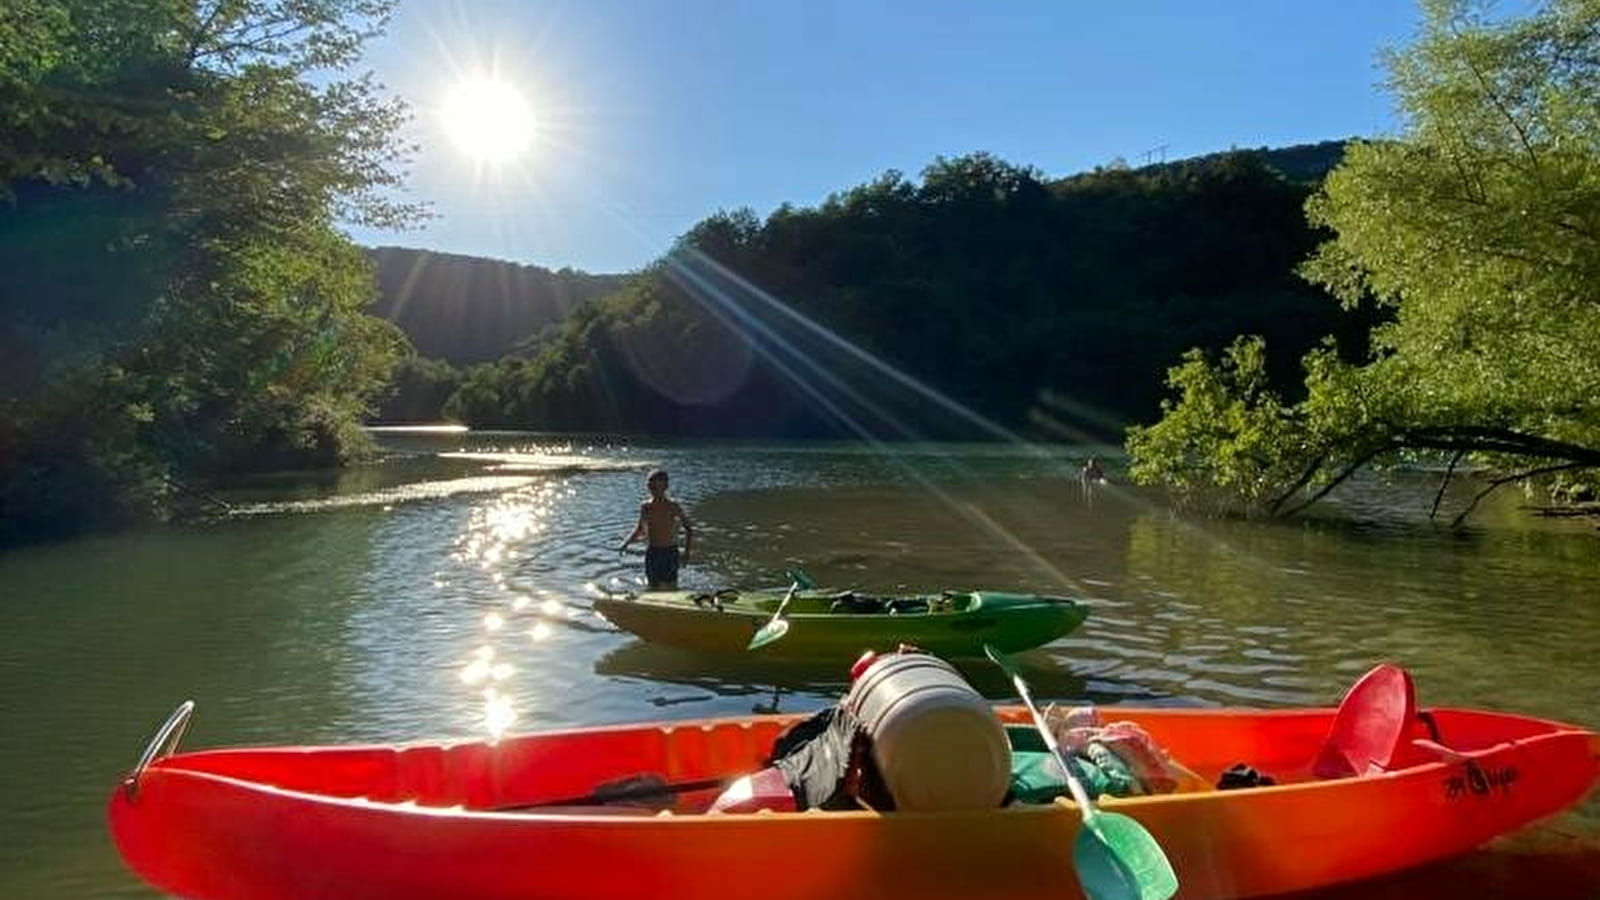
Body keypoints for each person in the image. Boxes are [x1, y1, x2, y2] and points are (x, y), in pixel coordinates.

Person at [617, 469, 694, 590]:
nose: (654, 491)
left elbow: (689, 529)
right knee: (652, 586)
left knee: (671, 586)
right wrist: (626, 543)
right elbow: (640, 529)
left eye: (658, 487)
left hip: (670, 552)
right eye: (651, 487)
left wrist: (686, 553)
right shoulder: (646, 507)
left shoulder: (673, 506)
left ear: (665, 487)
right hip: (652, 552)